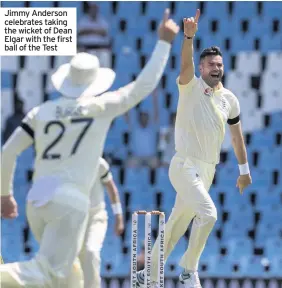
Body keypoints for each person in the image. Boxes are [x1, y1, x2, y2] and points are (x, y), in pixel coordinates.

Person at [0, 9, 179, 287]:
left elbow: (7, 152)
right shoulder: (99, 106)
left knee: (71, 274)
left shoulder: (41, 111)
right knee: (48, 272)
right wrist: (164, 42)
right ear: (95, 82)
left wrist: (5, 195)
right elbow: (143, 86)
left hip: (37, 200)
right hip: (70, 202)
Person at [137, 9, 252, 288]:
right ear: (201, 69)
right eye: (211, 64)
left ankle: (147, 276)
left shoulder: (230, 100)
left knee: (175, 227)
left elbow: (237, 138)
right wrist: (188, 37)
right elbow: (185, 63)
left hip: (207, 170)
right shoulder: (189, 86)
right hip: (184, 165)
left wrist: (244, 170)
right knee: (209, 214)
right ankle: (188, 269)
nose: (216, 68)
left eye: (219, 65)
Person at [79, 157, 124, 288]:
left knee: (90, 251)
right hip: (74, 219)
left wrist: (119, 216)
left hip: (96, 217)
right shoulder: (69, 161)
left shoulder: (99, 163)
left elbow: (112, 190)